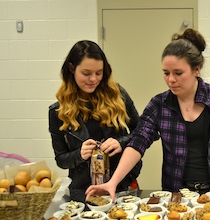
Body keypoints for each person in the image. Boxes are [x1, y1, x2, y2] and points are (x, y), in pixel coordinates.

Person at [85, 28, 210, 200]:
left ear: (196, 70)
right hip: (176, 194)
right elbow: (137, 143)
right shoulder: (159, 105)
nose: (171, 79)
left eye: (178, 73)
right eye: (166, 73)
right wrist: (113, 182)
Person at [48, 40, 142, 202]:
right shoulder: (57, 111)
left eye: (99, 73)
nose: (93, 79)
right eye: (86, 73)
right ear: (71, 69)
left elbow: (145, 132)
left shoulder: (118, 95)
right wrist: (79, 154)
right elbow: (61, 160)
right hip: (83, 191)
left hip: (122, 186)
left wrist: (121, 142)